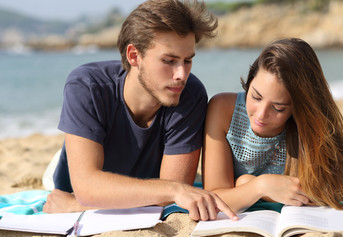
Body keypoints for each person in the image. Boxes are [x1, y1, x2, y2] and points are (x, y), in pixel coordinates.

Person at [43, 0, 238, 222]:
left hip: (129, 188)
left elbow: (174, 191)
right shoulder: (87, 85)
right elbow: (87, 187)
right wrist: (171, 190)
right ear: (134, 56)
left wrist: (78, 206)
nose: (181, 75)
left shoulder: (190, 94)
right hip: (70, 182)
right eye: (169, 60)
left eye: (187, 61)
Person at [202, 37, 343, 213]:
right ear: (250, 80)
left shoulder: (308, 129)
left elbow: (325, 192)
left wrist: (247, 184)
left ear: (298, 108)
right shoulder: (223, 109)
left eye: (278, 108)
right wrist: (260, 186)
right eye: (256, 97)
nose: (261, 114)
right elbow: (214, 198)